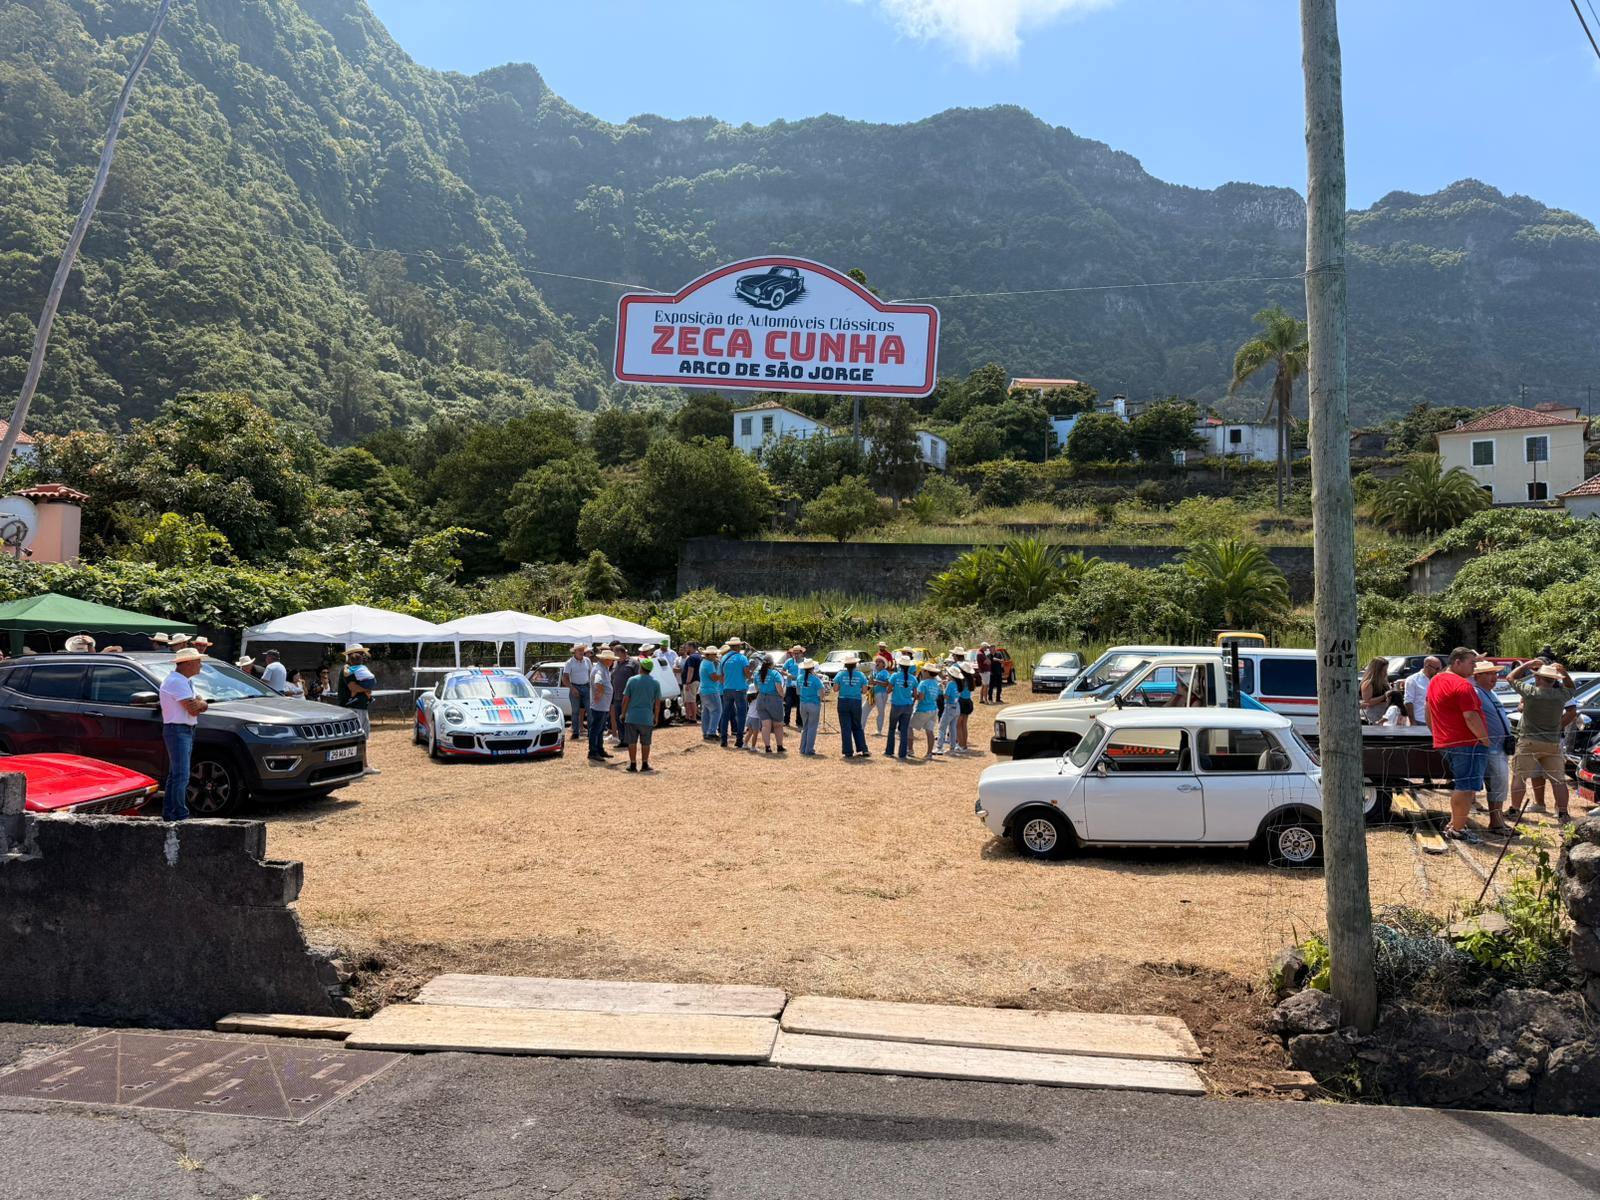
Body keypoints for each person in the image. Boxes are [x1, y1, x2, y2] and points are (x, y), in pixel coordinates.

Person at [1426, 647, 1491, 843]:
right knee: (1466, 787)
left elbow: (1427, 710)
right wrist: (1485, 739)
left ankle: (1455, 824)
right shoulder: (1463, 686)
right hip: (1468, 743)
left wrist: (1436, 732)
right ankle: (1457, 830)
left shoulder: (1436, 680)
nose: (1475, 667)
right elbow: (1470, 716)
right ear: (1457, 662)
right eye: (1471, 663)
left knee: (1464, 785)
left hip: (1448, 741)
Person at [1507, 657, 1577, 822]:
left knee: (1520, 777)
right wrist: (1563, 672)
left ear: (1538, 678)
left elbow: (1510, 678)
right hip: (1552, 743)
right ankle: (1562, 813)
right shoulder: (1561, 695)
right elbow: (1572, 688)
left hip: (1529, 741)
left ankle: (1514, 810)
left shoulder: (1530, 692)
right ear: (1554, 680)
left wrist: (1526, 665)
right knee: (1559, 780)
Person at [158, 647, 208, 822]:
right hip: (178, 729)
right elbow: (194, 709)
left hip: (181, 729)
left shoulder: (182, 681)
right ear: (187, 663)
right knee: (181, 775)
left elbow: (196, 704)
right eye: (198, 661)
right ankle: (180, 814)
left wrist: (200, 703)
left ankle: (172, 813)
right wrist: (202, 704)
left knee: (177, 774)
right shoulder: (178, 682)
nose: (201, 665)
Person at [1470, 659, 1515, 837]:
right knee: (1497, 783)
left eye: (1495, 673)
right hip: (1491, 748)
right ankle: (1496, 823)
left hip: (1500, 747)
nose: (1494, 677)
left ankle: (1499, 821)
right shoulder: (1476, 692)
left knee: (1501, 784)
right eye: (1489, 673)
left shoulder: (1490, 693)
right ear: (1477, 676)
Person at [620, 657, 663, 772]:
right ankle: (645, 764)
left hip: (632, 716)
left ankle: (633, 764)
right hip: (647, 717)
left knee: (632, 742)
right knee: (646, 742)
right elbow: (658, 704)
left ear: (641, 668)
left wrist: (623, 713)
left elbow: (625, 699)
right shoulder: (655, 683)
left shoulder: (632, 680)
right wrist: (656, 717)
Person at [718, 637, 751, 748]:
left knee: (725, 714)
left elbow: (721, 677)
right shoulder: (742, 658)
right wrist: (750, 675)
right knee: (741, 714)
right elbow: (747, 674)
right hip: (740, 688)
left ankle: (723, 739)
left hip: (727, 688)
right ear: (738, 646)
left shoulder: (723, 658)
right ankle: (739, 740)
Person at [835, 654, 870, 757]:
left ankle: (848, 751)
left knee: (845, 727)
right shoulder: (861, 675)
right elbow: (864, 691)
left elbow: (835, 689)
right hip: (856, 702)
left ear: (845, 665)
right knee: (857, 726)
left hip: (843, 701)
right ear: (856, 664)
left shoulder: (840, 675)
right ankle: (863, 748)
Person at [884, 654, 917, 760]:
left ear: (900, 665)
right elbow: (915, 695)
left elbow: (888, 690)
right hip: (907, 706)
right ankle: (902, 753)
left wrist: (895, 690)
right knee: (904, 730)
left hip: (896, 705)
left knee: (892, 729)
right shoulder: (913, 678)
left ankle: (889, 751)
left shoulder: (894, 676)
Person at [754, 654, 787, 753]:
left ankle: (767, 747)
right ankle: (779, 746)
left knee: (765, 725)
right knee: (778, 725)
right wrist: (783, 696)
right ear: (772, 663)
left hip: (760, 699)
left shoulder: (757, 674)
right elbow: (779, 688)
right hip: (773, 700)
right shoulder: (775, 674)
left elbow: (757, 688)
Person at [588, 649, 616, 761]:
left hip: (603, 705)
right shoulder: (600, 669)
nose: (612, 661)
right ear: (606, 660)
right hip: (600, 705)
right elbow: (598, 682)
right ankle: (593, 751)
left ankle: (599, 749)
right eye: (611, 659)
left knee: (599, 729)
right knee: (596, 729)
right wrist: (600, 693)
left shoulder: (603, 668)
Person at [796, 658, 828, 756]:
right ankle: (809, 750)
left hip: (803, 704)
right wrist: (820, 699)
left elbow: (797, 692)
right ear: (812, 668)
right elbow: (822, 692)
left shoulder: (799, 677)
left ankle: (802, 748)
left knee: (805, 727)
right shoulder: (815, 679)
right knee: (812, 727)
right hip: (813, 703)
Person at [561, 642, 593, 740]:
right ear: (575, 651)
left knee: (590, 710)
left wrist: (592, 686)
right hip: (575, 686)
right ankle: (575, 732)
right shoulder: (569, 662)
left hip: (586, 687)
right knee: (575, 711)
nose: (581, 652)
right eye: (579, 650)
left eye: (582, 650)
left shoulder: (587, 660)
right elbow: (565, 678)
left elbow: (591, 674)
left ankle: (591, 732)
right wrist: (572, 688)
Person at [911, 662, 941, 759]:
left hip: (923, 709)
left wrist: (913, 695)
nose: (922, 672)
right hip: (933, 709)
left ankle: (910, 749)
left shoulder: (923, 683)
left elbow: (921, 697)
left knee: (908, 726)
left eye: (923, 670)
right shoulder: (936, 683)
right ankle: (929, 753)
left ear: (927, 672)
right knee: (930, 731)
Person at [608, 645, 637, 746]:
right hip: (617, 696)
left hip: (629, 697)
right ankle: (622, 740)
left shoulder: (633, 663)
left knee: (628, 719)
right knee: (618, 718)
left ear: (621, 652)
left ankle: (630, 740)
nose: (614, 655)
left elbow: (638, 679)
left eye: (615, 653)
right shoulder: (615, 663)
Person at [1404, 656, 1441, 725]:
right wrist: (1412, 722)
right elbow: (1408, 701)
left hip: (1437, 721)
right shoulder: (1413, 680)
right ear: (1427, 666)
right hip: (1420, 720)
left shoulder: (1439, 679)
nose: (1438, 671)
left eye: (1439, 669)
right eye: (1437, 668)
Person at [935, 668, 962, 756]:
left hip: (949, 707)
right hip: (957, 706)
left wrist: (943, 687)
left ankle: (939, 748)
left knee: (941, 728)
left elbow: (946, 696)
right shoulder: (958, 684)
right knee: (953, 728)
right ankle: (952, 748)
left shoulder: (950, 684)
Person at [698, 646, 723, 740]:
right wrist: (721, 674)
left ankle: (706, 732)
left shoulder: (704, 662)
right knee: (717, 711)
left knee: (707, 712)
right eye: (714, 654)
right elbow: (714, 678)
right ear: (710, 655)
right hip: (711, 690)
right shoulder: (709, 664)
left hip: (704, 690)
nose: (716, 656)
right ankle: (712, 732)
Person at [1359, 657, 1391, 723]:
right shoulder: (1368, 683)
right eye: (1383, 671)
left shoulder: (1384, 681)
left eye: (1386, 670)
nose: (1385, 673)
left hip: (1385, 714)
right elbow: (1368, 702)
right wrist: (1384, 696)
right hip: (1374, 715)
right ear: (1376, 671)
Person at [781, 645, 806, 727]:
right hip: (790, 685)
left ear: (801, 653)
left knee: (800, 704)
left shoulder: (805, 662)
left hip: (801, 686)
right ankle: (786, 720)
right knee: (788, 704)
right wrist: (788, 674)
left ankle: (799, 721)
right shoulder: (789, 661)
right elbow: (783, 670)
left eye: (797, 653)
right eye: (794, 653)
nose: (795, 655)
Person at [956, 662, 976, 752]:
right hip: (968, 701)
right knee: (964, 724)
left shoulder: (961, 680)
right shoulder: (970, 680)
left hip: (961, 702)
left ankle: (960, 745)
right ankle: (964, 745)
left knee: (958, 725)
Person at [681, 643, 702, 724]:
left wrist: (688, 682)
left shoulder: (692, 657)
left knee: (691, 700)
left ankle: (692, 718)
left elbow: (691, 670)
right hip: (696, 680)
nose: (686, 649)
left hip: (691, 681)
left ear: (691, 647)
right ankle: (688, 717)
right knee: (689, 700)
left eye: (687, 647)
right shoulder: (699, 656)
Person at [870, 656, 891, 735]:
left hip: (882, 693)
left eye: (880, 662)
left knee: (881, 711)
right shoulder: (875, 672)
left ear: (883, 664)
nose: (877, 663)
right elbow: (871, 682)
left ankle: (879, 729)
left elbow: (886, 684)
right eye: (877, 662)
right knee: (879, 711)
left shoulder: (885, 672)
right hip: (875, 693)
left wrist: (876, 681)